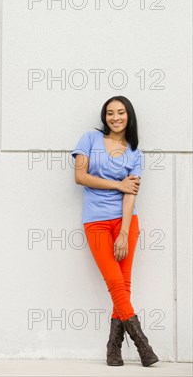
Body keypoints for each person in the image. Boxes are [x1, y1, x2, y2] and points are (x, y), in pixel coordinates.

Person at [71, 96, 159, 367]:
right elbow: (80, 176)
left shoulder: (134, 152)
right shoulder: (90, 139)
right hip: (95, 222)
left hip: (126, 223)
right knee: (115, 283)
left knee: (124, 284)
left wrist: (124, 232)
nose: (115, 117)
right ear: (104, 117)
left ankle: (113, 349)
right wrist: (118, 185)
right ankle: (142, 343)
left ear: (129, 116)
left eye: (121, 113)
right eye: (110, 113)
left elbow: (131, 196)